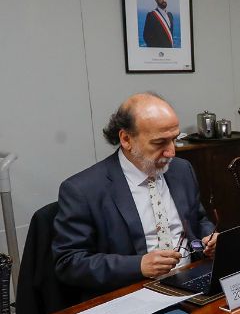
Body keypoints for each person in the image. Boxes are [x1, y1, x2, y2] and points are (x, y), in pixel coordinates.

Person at [53, 93, 217, 297]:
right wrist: (138, 265)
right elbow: (69, 263)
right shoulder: (83, 190)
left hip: (192, 281)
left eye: (174, 139)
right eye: (159, 143)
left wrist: (207, 239)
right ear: (126, 139)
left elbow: (198, 220)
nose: (171, 152)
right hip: (132, 293)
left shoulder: (181, 171)